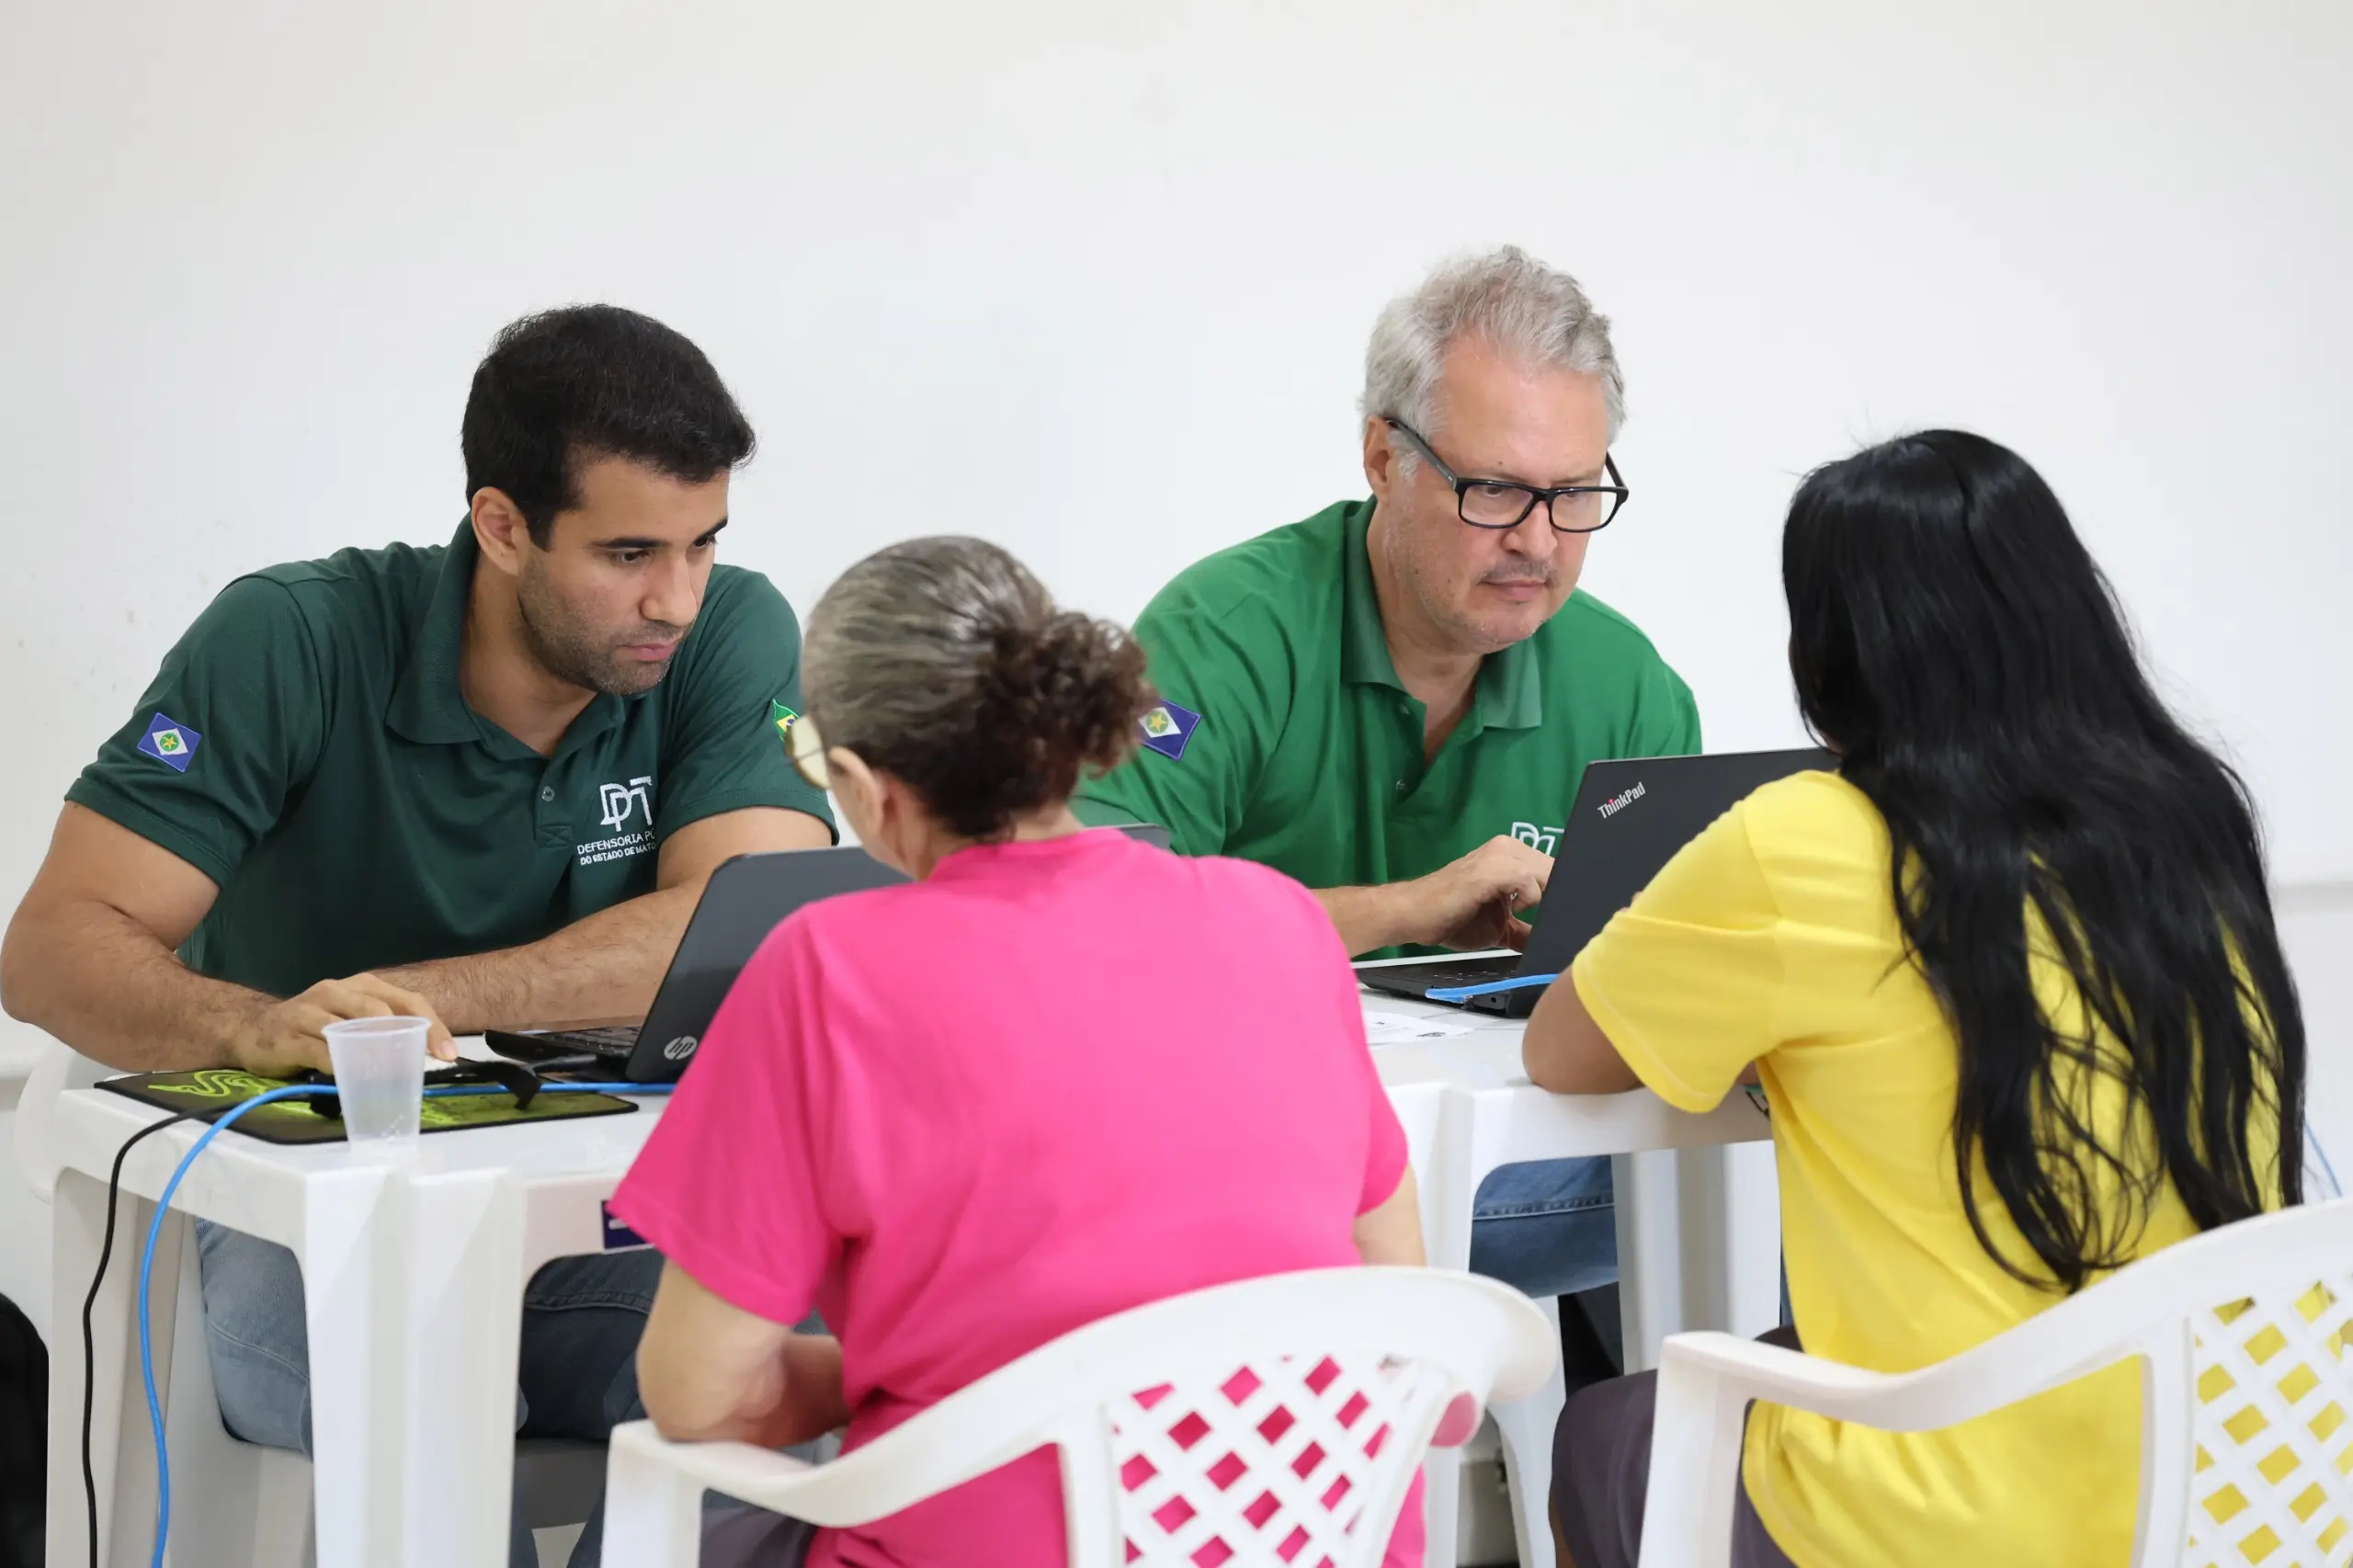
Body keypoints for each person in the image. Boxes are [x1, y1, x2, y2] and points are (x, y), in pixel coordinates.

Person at [0, 304, 835, 1567]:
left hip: (583, 1216)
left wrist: (408, 997)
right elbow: (53, 944)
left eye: (703, 542)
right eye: (626, 553)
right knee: (425, 1392)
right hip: (297, 1225)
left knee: (793, 1372)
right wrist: (255, 1022)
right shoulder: (293, 635)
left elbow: (752, 929)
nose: (675, 595)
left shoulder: (728, 629)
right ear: (501, 526)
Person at [1523, 430, 2306, 1568]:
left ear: (1834, 648)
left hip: (1965, 1518)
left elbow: (1561, 1053)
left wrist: (1769, 1031)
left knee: (1606, 1429)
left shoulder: (1806, 838)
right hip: (2250, 1483)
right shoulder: (2188, 816)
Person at [610, 536, 1427, 1568]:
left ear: (862, 782)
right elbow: (1402, 1325)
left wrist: (887, 1377)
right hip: (1321, 1544)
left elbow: (696, 1392)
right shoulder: (1278, 918)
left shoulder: (827, 969)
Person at [1075, 245, 1698, 1305]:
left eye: (1575, 493)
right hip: (1234, 1178)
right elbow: (1090, 936)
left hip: (1513, 1156)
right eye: (1496, 490)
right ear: (1381, 456)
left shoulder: (1627, 683)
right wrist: (1414, 905)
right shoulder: (1222, 637)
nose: (1539, 543)